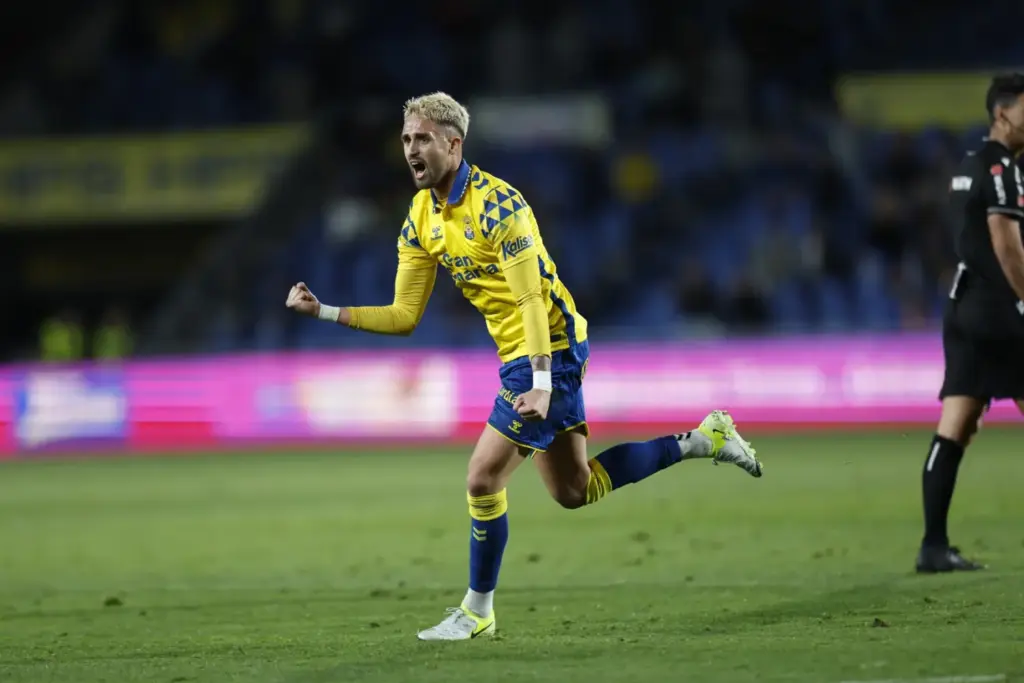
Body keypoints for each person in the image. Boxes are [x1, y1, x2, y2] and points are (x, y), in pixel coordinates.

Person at [285, 92, 763, 639]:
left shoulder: (500, 207)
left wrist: (538, 383)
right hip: (526, 357)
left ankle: (477, 611)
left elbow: (532, 298)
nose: (410, 149)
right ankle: (704, 439)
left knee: (482, 477)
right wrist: (322, 310)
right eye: (405, 140)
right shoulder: (421, 217)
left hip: (550, 351)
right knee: (574, 490)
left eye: (421, 139)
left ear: (452, 143)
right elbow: (403, 315)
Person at [918, 73, 1024, 573]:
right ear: (1003, 114)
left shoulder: (967, 165)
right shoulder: (1003, 168)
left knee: (956, 425)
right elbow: (1004, 242)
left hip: (962, 309)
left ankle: (933, 547)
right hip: (998, 313)